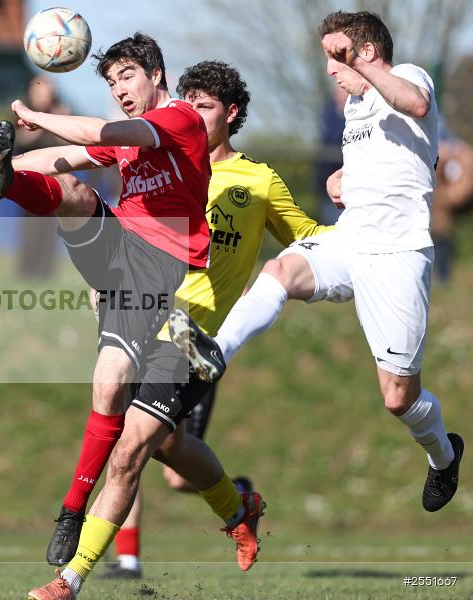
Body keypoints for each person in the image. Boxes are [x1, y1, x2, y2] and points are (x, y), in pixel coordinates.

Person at [171, 11, 463, 515]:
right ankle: (213, 354)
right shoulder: (355, 106)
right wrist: (342, 178)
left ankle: (443, 453)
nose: (331, 69)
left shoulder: (411, 76)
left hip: (398, 254)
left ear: (366, 52)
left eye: (338, 56)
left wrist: (359, 66)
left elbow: (413, 105)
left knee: (398, 399)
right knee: (278, 272)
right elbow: (384, 156)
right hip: (350, 240)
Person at [0, 32, 224, 567]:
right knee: (74, 192)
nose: (120, 88)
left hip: (157, 268)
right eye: (111, 81)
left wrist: (37, 114)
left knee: (108, 385)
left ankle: (72, 509)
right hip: (119, 242)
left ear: (156, 76)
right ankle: (8, 186)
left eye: (128, 76)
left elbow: (98, 130)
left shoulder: (180, 120)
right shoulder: (127, 136)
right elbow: (69, 153)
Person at [101, 60, 331, 580]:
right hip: (144, 315)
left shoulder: (259, 180)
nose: (193, 114)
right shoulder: (165, 163)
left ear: (232, 113)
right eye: (188, 103)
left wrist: (360, 221)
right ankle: (133, 555)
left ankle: (235, 503)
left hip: (192, 333)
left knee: (156, 450)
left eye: (205, 106)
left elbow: (309, 235)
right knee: (134, 436)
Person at [15, 75, 69, 279]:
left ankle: (45, 271)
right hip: (28, 180)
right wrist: (40, 121)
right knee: (30, 227)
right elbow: (21, 138)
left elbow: (67, 141)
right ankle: (27, 269)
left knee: (50, 227)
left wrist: (57, 121)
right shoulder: (24, 114)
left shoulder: (60, 112)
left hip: (54, 182)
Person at [431, 125, 473, 283]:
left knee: (441, 235)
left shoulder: (456, 152)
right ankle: (442, 278)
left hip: (443, 206)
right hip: (438, 202)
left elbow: (459, 192)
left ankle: (443, 278)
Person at [314, 83, 348, 225]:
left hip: (349, 182)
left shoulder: (358, 112)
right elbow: (331, 138)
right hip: (328, 184)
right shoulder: (329, 112)